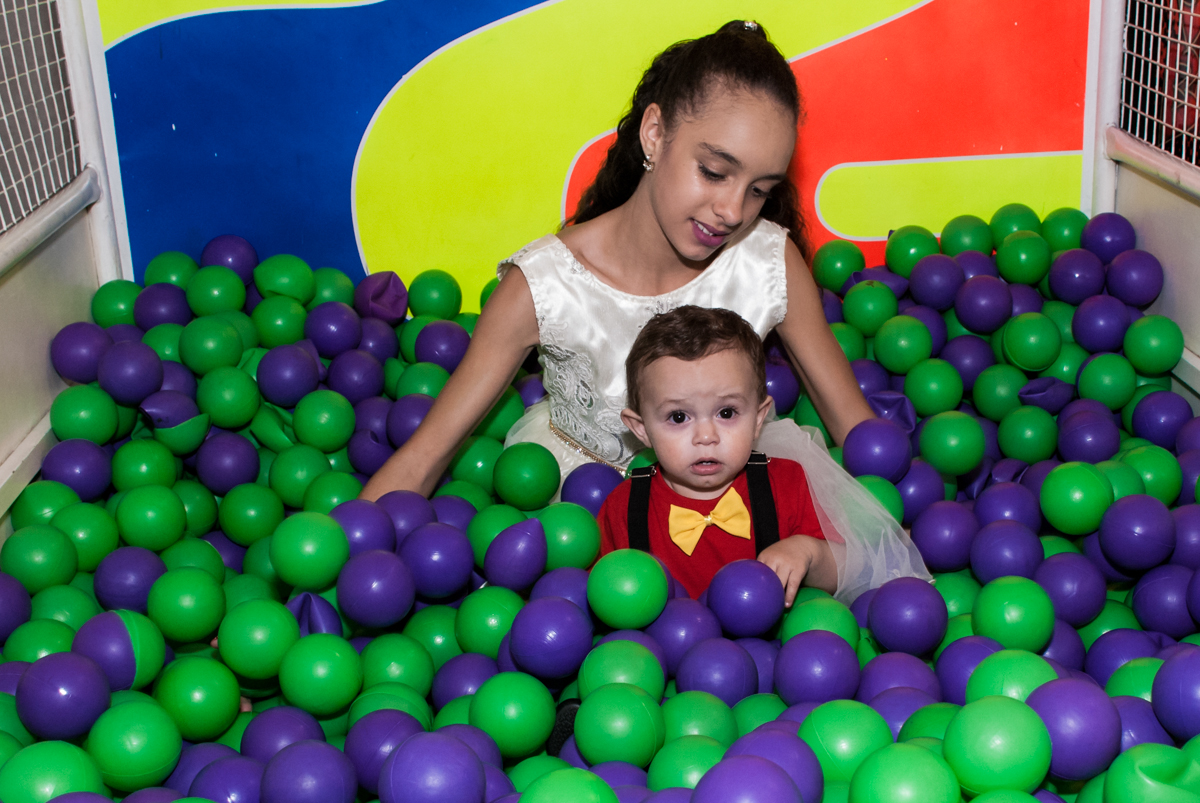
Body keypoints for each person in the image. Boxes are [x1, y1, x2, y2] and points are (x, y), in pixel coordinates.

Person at [363, 20, 928, 601]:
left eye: (760, 188)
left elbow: (856, 430)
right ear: (654, 135)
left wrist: (896, 531)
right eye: (713, 171)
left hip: (731, 501)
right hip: (577, 516)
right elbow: (424, 456)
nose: (733, 209)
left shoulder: (767, 263)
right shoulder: (546, 285)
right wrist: (330, 576)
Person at [596, 306, 835, 604]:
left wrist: (807, 552)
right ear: (641, 429)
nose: (706, 436)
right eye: (679, 417)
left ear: (758, 418)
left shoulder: (788, 484)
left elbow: (842, 572)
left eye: (726, 412)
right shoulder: (625, 506)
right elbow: (600, 594)